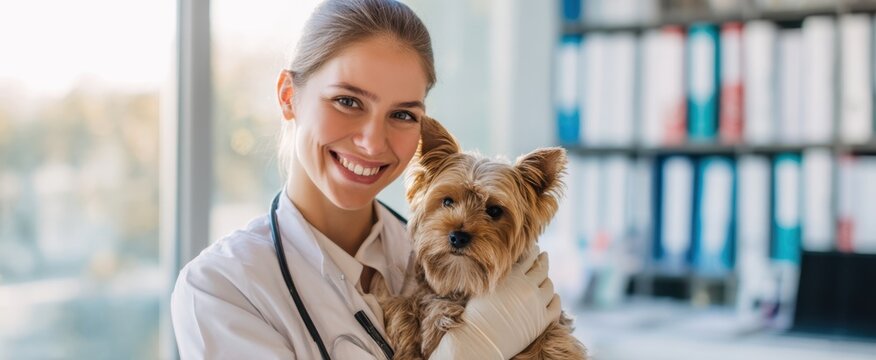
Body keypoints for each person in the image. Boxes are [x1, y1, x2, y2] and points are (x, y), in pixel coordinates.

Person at [170, 0, 561, 358]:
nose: (373, 143)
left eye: (403, 114)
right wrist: (472, 350)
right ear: (289, 96)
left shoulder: (474, 269)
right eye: (348, 101)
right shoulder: (222, 289)